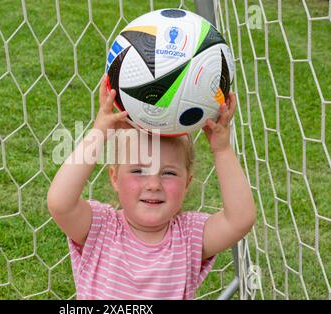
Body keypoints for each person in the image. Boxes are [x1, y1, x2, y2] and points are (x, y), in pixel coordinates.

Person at [47, 76, 256, 300]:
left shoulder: (189, 237)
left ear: (187, 183)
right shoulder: (100, 228)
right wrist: (100, 131)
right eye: (138, 171)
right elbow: (60, 202)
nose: (154, 185)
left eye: (169, 173)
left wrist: (222, 150)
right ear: (115, 178)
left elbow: (240, 220)